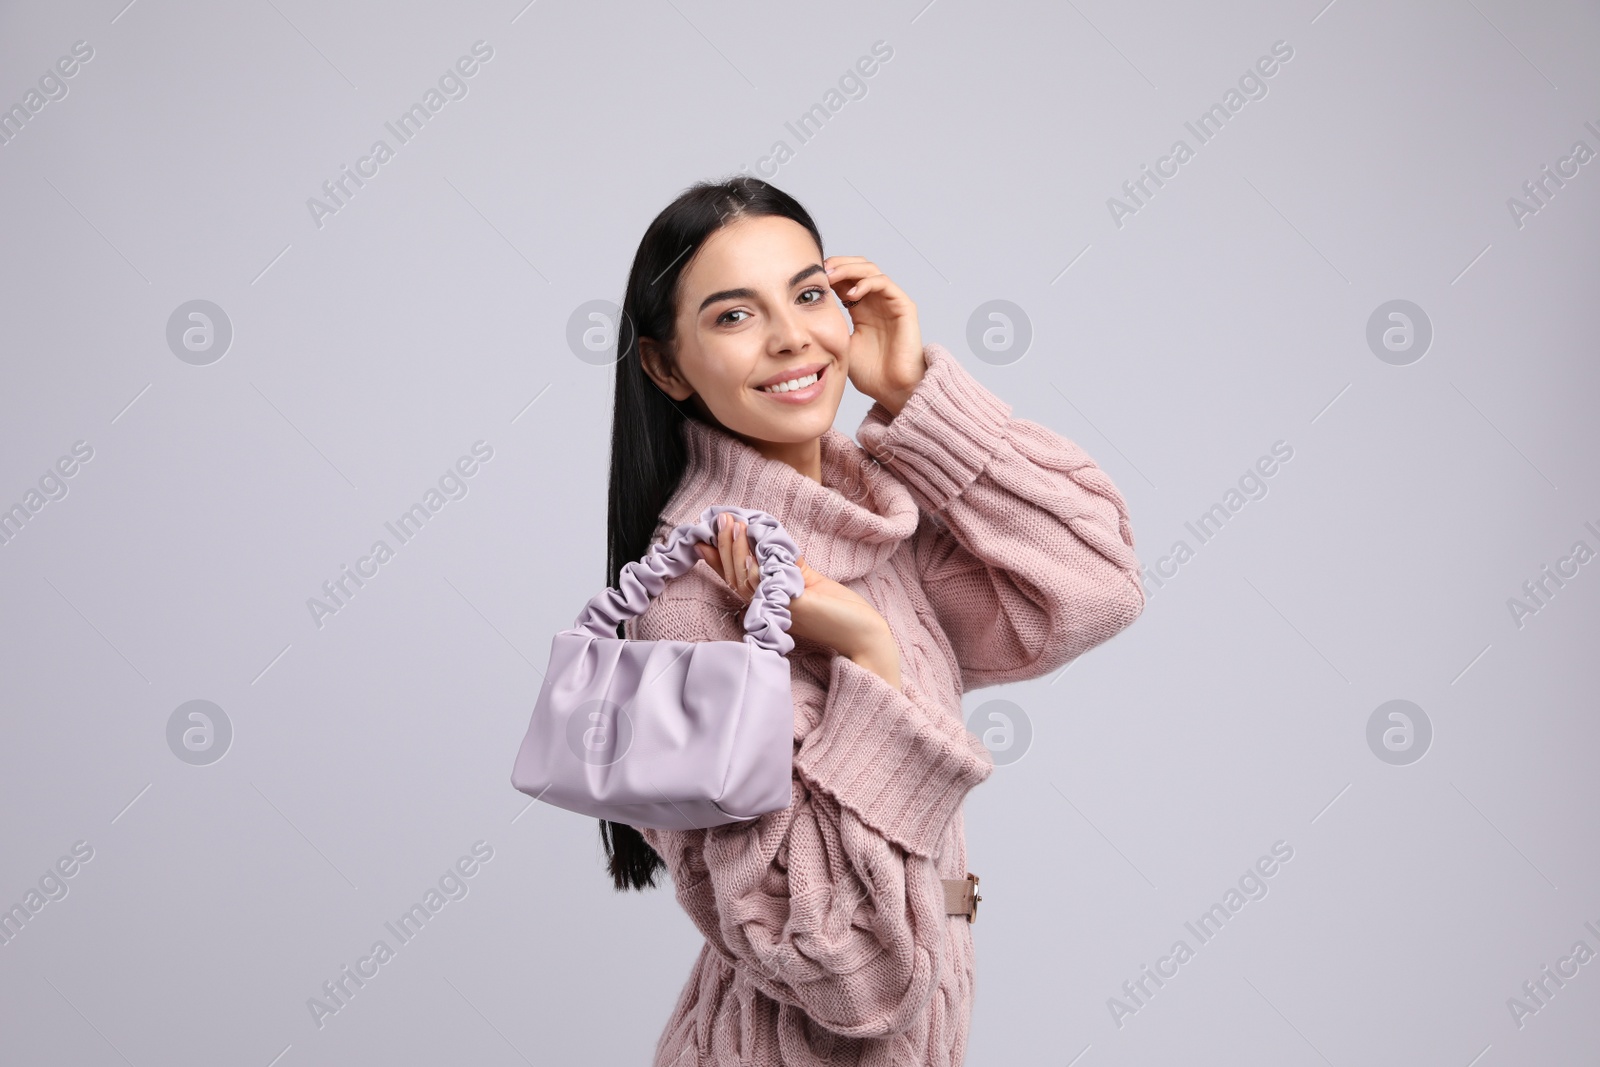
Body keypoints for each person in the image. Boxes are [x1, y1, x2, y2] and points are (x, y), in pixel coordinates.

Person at [602, 176, 1145, 1065]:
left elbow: (1094, 585)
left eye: (809, 293)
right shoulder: (688, 609)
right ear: (667, 367)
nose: (791, 337)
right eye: (733, 317)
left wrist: (913, 395)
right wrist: (865, 647)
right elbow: (849, 969)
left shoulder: (872, 527)